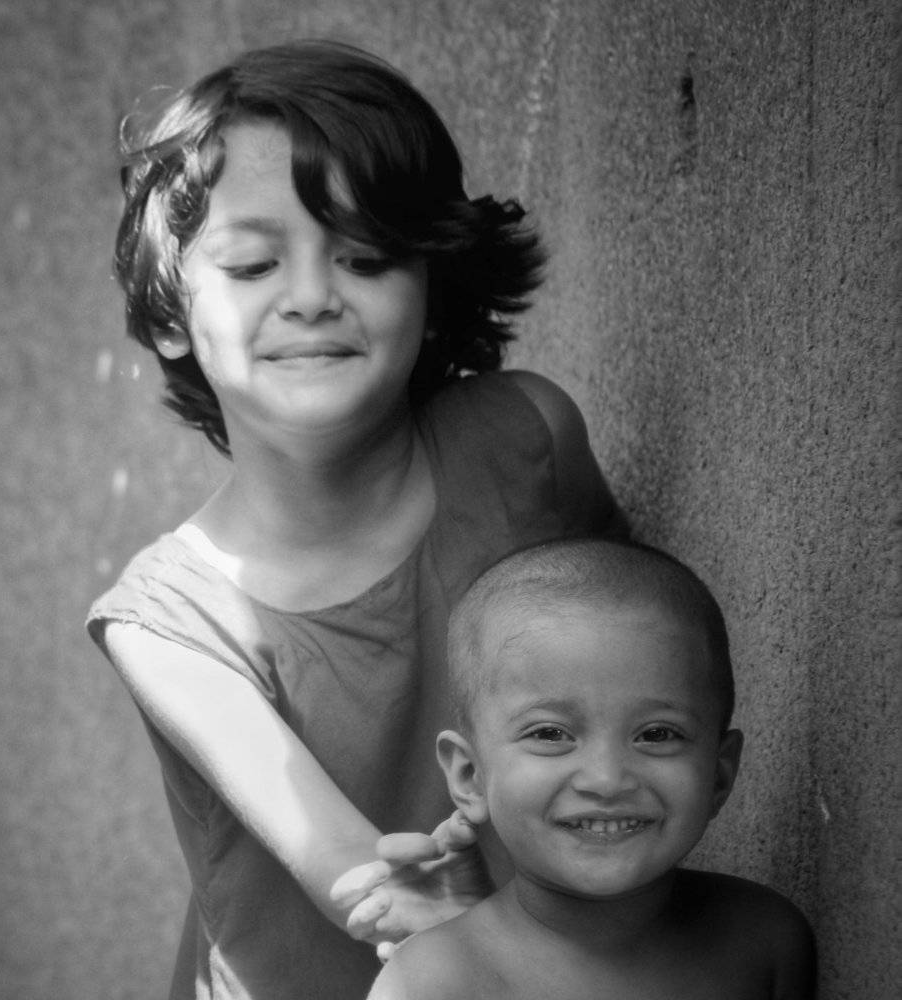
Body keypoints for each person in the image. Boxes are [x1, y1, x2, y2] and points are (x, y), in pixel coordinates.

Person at [87, 40, 626, 1000]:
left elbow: (646, 668)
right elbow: (355, 872)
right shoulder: (167, 624)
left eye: (366, 256)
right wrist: (458, 911)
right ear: (169, 314)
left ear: (432, 285)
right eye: (253, 264)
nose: (311, 297)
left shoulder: (525, 443)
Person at [366, 537, 816, 999]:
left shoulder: (765, 941)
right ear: (470, 776)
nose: (606, 780)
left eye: (657, 734)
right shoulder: (432, 983)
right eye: (550, 734)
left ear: (719, 773)